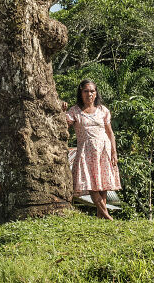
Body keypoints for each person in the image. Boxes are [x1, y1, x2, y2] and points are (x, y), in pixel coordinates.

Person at [65, 79, 121, 220]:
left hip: (104, 150)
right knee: (91, 184)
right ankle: (107, 215)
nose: (89, 94)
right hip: (85, 152)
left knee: (103, 184)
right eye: (86, 91)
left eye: (92, 91)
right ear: (81, 92)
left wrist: (114, 152)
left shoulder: (103, 110)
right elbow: (63, 125)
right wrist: (61, 110)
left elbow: (110, 133)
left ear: (96, 93)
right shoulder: (74, 111)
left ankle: (100, 216)